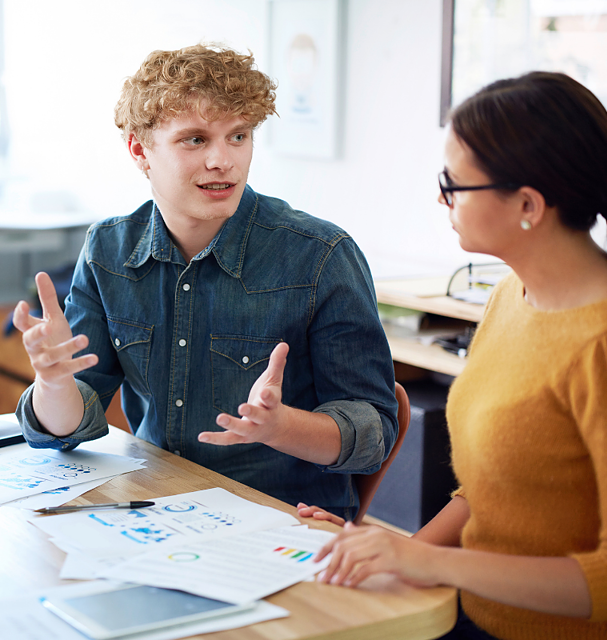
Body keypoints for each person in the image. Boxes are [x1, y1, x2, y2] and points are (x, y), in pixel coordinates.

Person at [300, 71, 607, 639]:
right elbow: (492, 492)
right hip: (472, 613)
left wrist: (429, 563)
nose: (441, 196)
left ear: (528, 204)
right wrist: (387, 551)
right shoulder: (512, 295)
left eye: (453, 183)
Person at [12, 44, 398, 522]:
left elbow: (374, 437)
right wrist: (54, 383)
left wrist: (279, 427)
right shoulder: (109, 249)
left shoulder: (321, 256)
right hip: (156, 510)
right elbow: (67, 431)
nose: (223, 161)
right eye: (195, 140)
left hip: (283, 522)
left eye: (238, 136)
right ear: (139, 150)